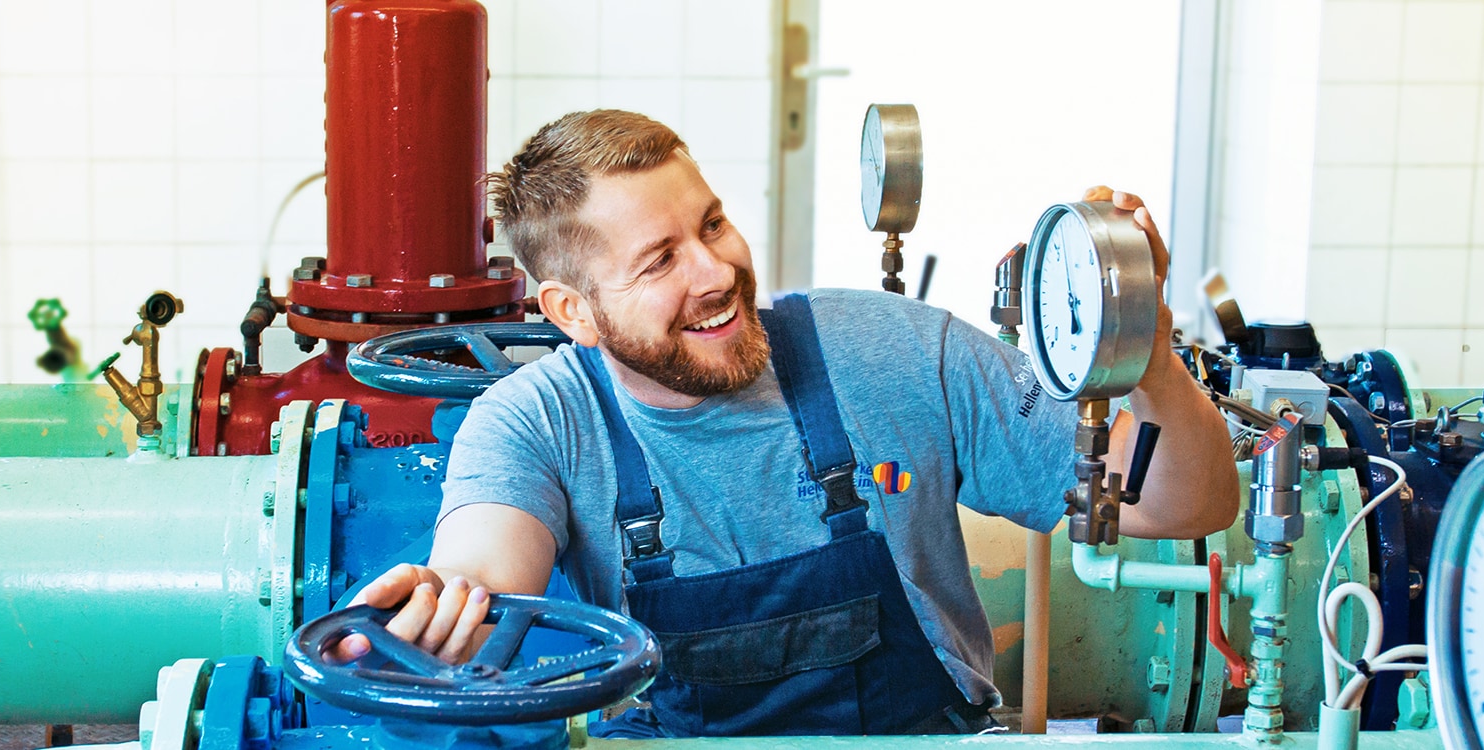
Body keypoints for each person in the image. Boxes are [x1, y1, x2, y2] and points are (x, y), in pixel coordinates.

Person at [332, 109, 1240, 736]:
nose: (717, 270)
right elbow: (487, 568)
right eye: (659, 262)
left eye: (713, 223)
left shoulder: (890, 351)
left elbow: (1181, 505)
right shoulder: (536, 421)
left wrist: (1149, 350)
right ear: (572, 311)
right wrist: (440, 614)